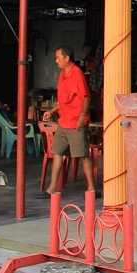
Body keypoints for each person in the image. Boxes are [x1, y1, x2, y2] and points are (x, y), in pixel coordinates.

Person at [42, 45, 96, 194]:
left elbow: (86, 97)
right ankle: (53, 187)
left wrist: (81, 117)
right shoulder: (63, 74)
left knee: (82, 154)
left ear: (67, 58)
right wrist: (52, 110)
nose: (56, 60)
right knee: (58, 152)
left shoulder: (77, 74)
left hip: (75, 122)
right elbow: (65, 99)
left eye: (58, 57)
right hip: (64, 121)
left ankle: (91, 187)